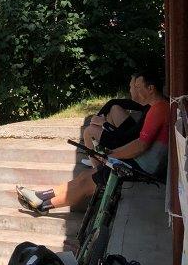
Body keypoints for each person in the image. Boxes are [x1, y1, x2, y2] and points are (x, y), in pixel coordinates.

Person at [17, 69, 169, 214]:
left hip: (142, 169)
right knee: (85, 175)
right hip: (138, 162)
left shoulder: (158, 110)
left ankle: (42, 205)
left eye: (138, 87)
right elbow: (139, 143)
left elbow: (140, 146)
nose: (135, 90)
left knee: (86, 183)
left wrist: (113, 155)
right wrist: (112, 154)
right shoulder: (157, 107)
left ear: (150, 88)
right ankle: (41, 195)